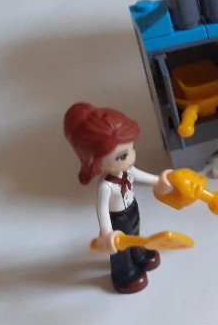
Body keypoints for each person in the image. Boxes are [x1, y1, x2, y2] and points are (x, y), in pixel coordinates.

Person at [63, 103, 174, 294]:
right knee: (121, 248)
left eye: (132, 149)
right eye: (122, 156)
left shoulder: (127, 170)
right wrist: (107, 231)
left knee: (135, 234)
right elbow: (102, 210)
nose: (131, 158)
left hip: (132, 209)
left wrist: (158, 181)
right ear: (96, 163)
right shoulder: (106, 186)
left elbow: (140, 175)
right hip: (117, 220)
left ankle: (139, 254)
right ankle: (124, 273)